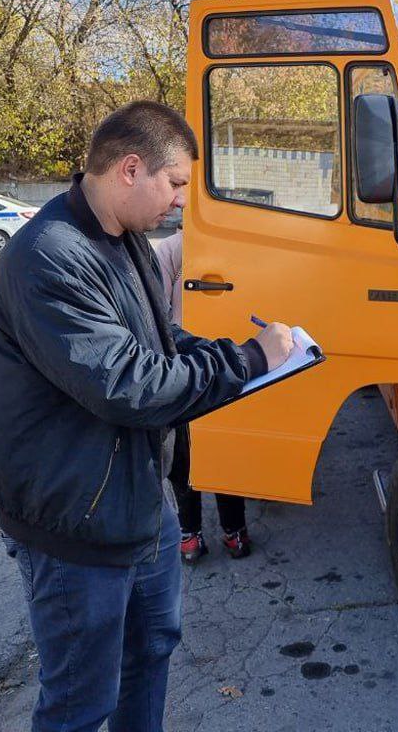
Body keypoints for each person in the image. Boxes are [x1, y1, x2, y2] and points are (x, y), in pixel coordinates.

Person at [0, 100, 294, 732]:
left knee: (151, 653)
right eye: (174, 184)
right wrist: (250, 362)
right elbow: (129, 384)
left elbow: (157, 339)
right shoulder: (49, 258)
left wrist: (236, 354)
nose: (180, 201)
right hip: (78, 525)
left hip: (140, 505)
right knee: (79, 702)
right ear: (129, 169)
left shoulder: (126, 242)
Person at [154, 227, 252, 562]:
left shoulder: (172, 248)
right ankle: (222, 533)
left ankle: (201, 534)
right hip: (212, 366)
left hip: (201, 367)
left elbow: (158, 316)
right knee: (207, 453)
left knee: (200, 455)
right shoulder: (176, 249)